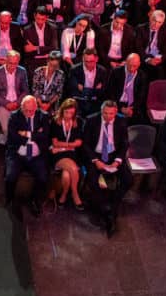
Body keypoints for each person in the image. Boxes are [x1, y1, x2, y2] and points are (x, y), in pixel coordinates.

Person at [82, 100, 132, 237]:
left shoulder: (121, 121)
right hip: (96, 155)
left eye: (111, 114)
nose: (108, 117)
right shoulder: (91, 120)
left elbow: (124, 143)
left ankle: (113, 204)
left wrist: (117, 161)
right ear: (101, 111)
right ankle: (105, 208)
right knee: (92, 181)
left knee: (128, 180)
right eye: (105, 113)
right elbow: (85, 144)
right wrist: (95, 160)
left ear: (116, 112)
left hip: (113, 156)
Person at [4, 95, 51, 215]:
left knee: (43, 177)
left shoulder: (43, 116)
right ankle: (9, 200)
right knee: (10, 177)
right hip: (18, 154)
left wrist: (26, 134)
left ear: (36, 107)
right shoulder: (14, 116)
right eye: (26, 110)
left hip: (36, 155)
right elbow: (13, 137)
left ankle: (34, 200)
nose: (29, 113)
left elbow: (45, 136)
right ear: (22, 107)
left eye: (32, 110)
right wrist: (36, 134)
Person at [49, 98, 85, 210]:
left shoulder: (77, 122)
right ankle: (75, 193)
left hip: (72, 154)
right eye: (66, 112)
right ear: (62, 110)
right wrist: (71, 144)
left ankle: (64, 195)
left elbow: (79, 143)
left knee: (66, 174)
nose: (68, 115)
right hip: (57, 155)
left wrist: (64, 145)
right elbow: (54, 143)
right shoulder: (55, 121)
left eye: (71, 113)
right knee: (73, 169)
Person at [0, 50, 30, 144]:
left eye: (15, 63)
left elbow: (26, 90)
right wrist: (6, 104)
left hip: (18, 103)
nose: (12, 66)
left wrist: (17, 103)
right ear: (6, 61)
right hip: (1, 104)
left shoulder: (22, 71)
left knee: (25, 127)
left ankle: (10, 142)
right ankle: (15, 149)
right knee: (7, 128)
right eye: (10, 63)